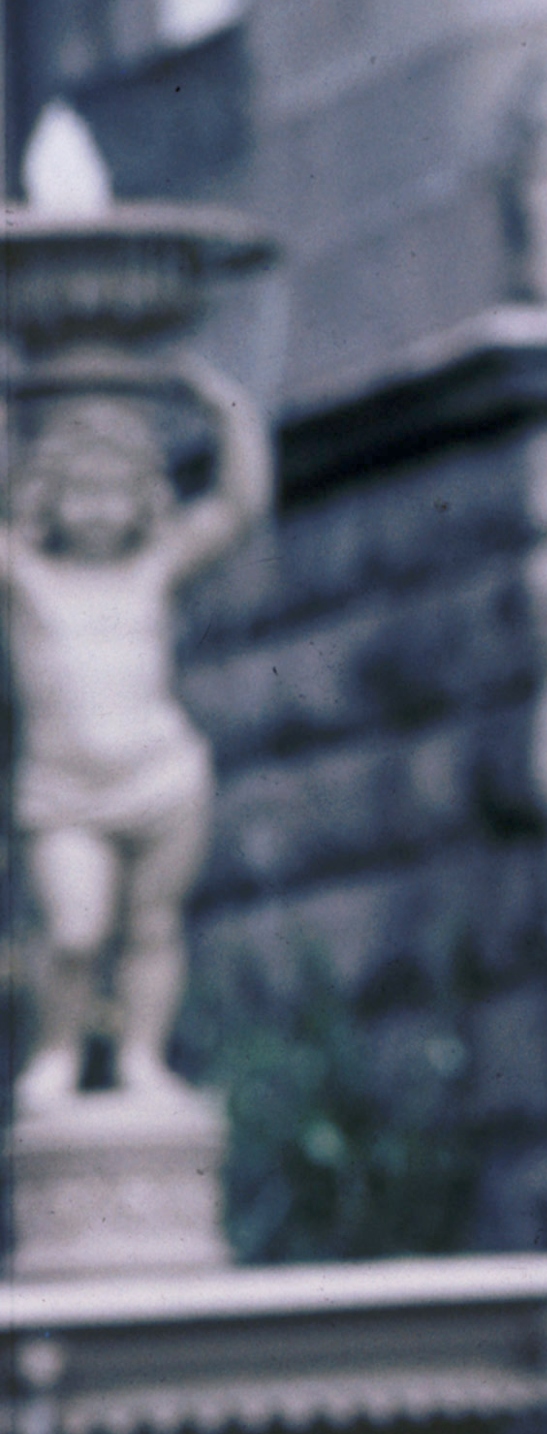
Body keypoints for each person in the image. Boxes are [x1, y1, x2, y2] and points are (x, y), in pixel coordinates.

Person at [4, 356, 269, 1110]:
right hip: (64, 790)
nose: (94, 508)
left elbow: (236, 507)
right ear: (46, 499)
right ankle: (55, 1050)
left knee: (154, 925)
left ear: (140, 501)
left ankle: (141, 1059)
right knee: (75, 928)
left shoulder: (153, 568)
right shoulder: (27, 576)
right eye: (78, 491)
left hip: (162, 777)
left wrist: (229, 414)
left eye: (111, 492)